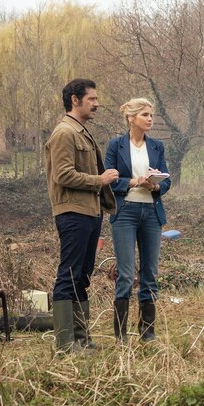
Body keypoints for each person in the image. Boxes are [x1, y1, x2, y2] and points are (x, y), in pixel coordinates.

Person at [45, 78, 118, 354]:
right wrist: (99, 179)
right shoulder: (64, 133)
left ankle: (81, 339)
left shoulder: (81, 131)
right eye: (92, 99)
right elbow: (62, 175)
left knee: (82, 276)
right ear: (75, 100)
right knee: (69, 275)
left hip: (89, 212)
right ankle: (65, 344)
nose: (97, 104)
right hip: (73, 213)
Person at [105, 98, 171, 343]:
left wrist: (155, 183)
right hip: (126, 212)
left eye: (151, 115)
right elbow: (110, 178)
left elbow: (167, 180)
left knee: (150, 273)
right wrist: (133, 182)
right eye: (145, 114)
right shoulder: (116, 145)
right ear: (131, 118)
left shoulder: (157, 147)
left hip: (151, 213)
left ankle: (148, 333)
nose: (150, 119)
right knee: (125, 273)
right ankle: (121, 336)